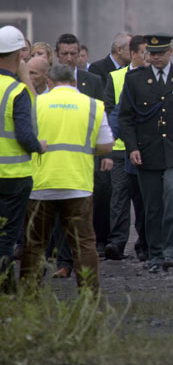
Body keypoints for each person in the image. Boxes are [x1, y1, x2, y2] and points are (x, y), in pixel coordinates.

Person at [20, 64, 113, 290]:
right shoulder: (93, 105)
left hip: (42, 183)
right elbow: (106, 145)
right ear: (74, 82)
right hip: (77, 184)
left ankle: (29, 295)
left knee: (34, 244)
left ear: (49, 82)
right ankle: (89, 295)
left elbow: (25, 138)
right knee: (84, 244)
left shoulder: (36, 104)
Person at [119, 33, 173, 273]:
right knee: (152, 204)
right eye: (152, 54)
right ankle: (155, 253)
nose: (155, 58)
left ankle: (172, 250)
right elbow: (126, 118)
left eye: (160, 53)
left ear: (170, 53)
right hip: (147, 152)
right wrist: (132, 147)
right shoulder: (135, 79)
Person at [55, 33, 107, 262]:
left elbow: (101, 115)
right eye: (64, 54)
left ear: (79, 55)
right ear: (57, 55)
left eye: (73, 54)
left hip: (86, 157)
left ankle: (82, 254)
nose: (69, 58)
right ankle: (60, 257)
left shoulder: (92, 81)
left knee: (85, 208)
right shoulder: (49, 80)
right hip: (56, 158)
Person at [0, 26, 45, 293]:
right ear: (19, 56)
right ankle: (6, 287)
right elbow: (27, 136)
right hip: (13, 178)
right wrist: (40, 146)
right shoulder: (17, 92)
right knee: (6, 238)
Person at [103, 34, 149, 261]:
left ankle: (144, 244)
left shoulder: (153, 78)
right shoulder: (116, 77)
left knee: (142, 199)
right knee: (119, 197)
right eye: (144, 53)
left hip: (144, 150)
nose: (148, 57)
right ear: (132, 54)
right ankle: (117, 242)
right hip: (121, 150)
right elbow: (112, 111)